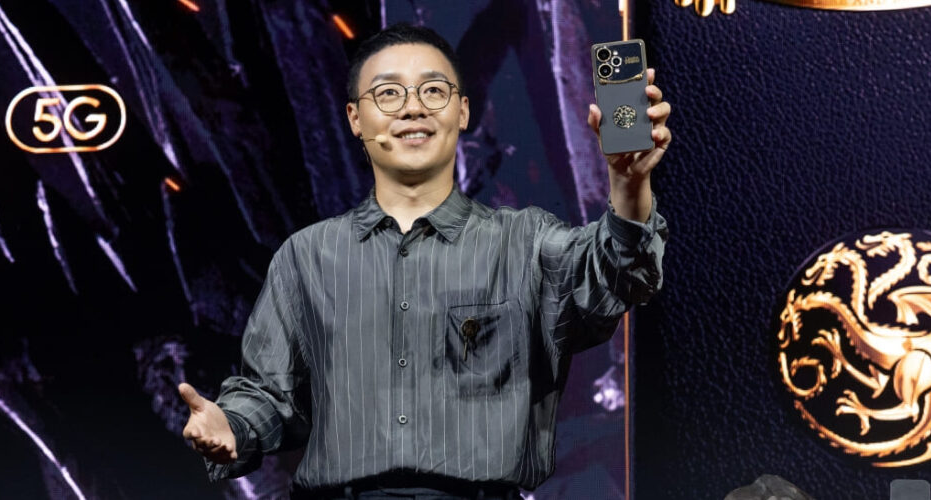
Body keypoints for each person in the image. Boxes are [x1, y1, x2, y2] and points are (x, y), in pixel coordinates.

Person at [178, 24, 671, 500]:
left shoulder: (522, 244)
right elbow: (270, 393)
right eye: (388, 94)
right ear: (355, 119)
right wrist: (232, 426)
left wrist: (629, 188)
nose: (412, 108)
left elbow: (615, 274)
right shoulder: (305, 260)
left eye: (433, 91)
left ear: (462, 111)